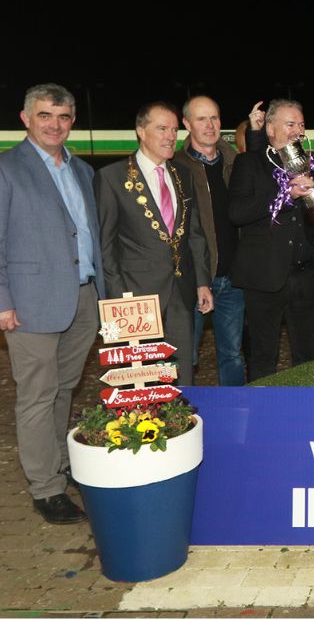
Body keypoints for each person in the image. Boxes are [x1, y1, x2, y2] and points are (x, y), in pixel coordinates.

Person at [1, 83, 104, 524]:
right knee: (37, 396)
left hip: (82, 299)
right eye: (45, 115)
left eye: (62, 117)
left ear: (72, 121)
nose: (54, 125)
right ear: (26, 119)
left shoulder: (83, 171)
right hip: (30, 303)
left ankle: (61, 466)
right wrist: (3, 300)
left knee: (64, 389)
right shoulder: (7, 169)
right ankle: (45, 488)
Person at [95, 103, 213, 385]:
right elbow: (105, 246)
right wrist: (115, 302)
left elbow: (194, 233)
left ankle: (182, 424)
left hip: (181, 294)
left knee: (182, 372)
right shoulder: (112, 177)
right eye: (162, 128)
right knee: (139, 380)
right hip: (134, 299)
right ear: (140, 131)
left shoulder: (182, 175)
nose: (170, 136)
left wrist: (202, 282)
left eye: (174, 129)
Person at [227, 99, 314, 379]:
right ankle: (262, 417)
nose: (297, 131)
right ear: (270, 128)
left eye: (301, 125)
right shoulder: (249, 163)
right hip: (264, 278)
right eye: (290, 124)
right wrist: (285, 197)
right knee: (263, 357)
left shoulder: (312, 164)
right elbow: (237, 213)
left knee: (307, 358)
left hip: (305, 276)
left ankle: (307, 416)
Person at [176, 94, 245, 386]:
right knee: (186, 356)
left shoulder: (236, 162)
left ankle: (237, 419)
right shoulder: (176, 167)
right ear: (187, 123)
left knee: (232, 355)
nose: (209, 125)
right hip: (192, 279)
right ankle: (182, 421)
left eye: (214, 117)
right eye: (201, 118)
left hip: (232, 279)